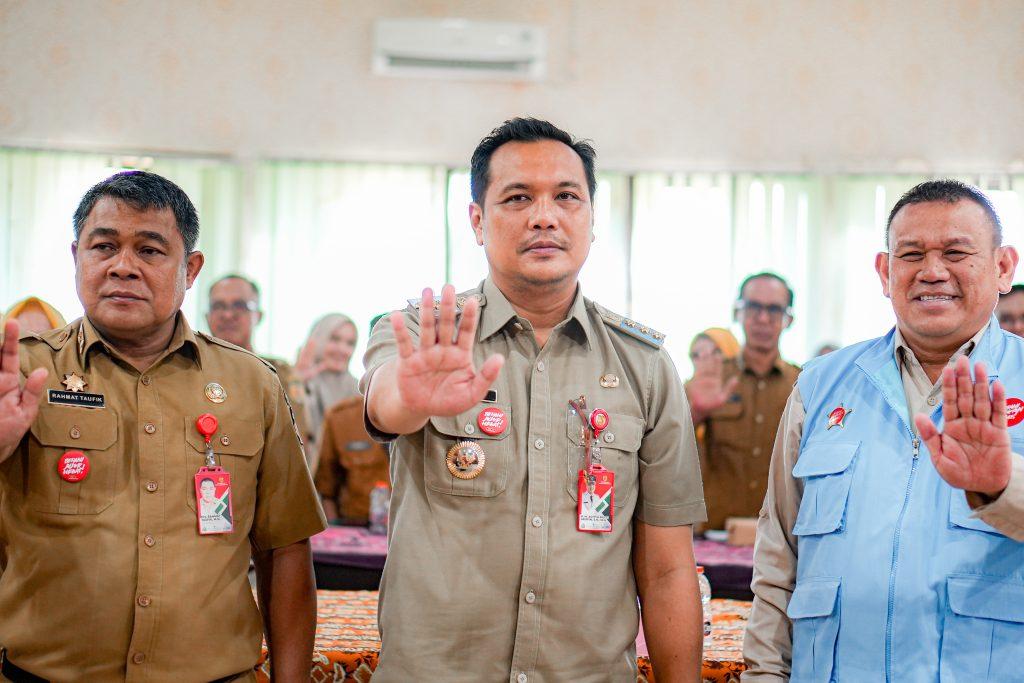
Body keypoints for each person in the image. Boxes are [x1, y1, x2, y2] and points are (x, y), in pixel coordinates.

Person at [362, 118, 706, 681]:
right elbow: (385, 404)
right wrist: (411, 395)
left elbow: (669, 569)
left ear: (592, 220)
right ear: (478, 220)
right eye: (517, 197)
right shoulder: (423, 336)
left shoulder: (644, 366)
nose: (544, 215)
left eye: (567, 197)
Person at [0, 170, 326, 680]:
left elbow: (285, 549)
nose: (122, 267)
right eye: (103, 246)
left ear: (190, 268)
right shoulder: (23, 373)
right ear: (76, 257)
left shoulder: (253, 385)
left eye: (150, 251)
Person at [744, 180, 1024, 682]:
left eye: (957, 252)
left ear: (1004, 267)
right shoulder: (821, 384)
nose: (932, 271)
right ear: (884, 270)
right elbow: (778, 559)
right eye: (911, 254)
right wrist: (765, 675)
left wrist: (1003, 488)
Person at [686, 273, 800, 529]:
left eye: (773, 309)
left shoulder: (803, 385)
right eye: (753, 307)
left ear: (788, 319)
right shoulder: (709, 378)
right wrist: (696, 413)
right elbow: (664, 445)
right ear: (737, 312)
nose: (762, 318)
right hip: (714, 531)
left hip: (781, 536)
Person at [205, 273, 312, 464]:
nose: (228, 315)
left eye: (240, 306)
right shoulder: (188, 370)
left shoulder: (280, 376)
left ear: (259, 316)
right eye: (218, 306)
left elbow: (295, 447)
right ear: (207, 316)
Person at [314, 394, 390, 524]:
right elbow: (326, 490)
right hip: (357, 526)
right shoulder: (341, 418)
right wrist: (336, 533)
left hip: (416, 529)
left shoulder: (431, 417)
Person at [298, 313, 360, 467]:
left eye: (350, 343)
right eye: (335, 339)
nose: (342, 349)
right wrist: (297, 385)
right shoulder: (297, 382)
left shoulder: (360, 390)